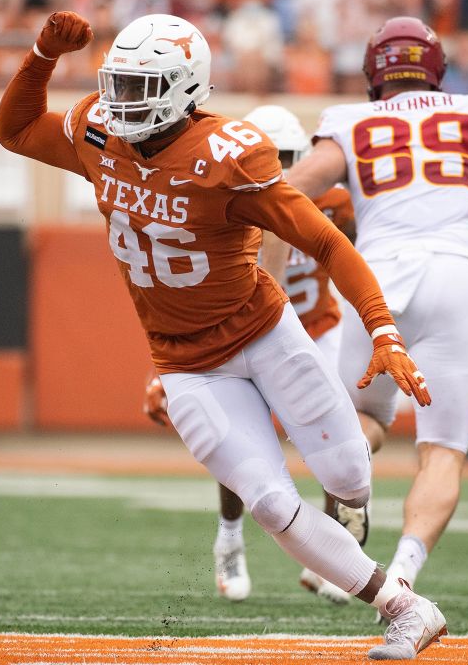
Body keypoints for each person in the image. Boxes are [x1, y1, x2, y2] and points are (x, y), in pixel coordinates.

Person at [0, 11, 446, 660]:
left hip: (264, 332)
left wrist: (383, 330)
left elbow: (322, 239)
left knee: (349, 471)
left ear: (185, 89)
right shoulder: (99, 132)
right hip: (184, 364)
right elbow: (14, 130)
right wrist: (41, 53)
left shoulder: (226, 155)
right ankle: (404, 608)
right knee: (268, 502)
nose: (119, 102)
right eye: (116, 84)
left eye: (138, 88)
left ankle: (350, 506)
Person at [270, 16, 468, 614]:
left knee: (363, 416)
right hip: (458, 274)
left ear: (374, 73)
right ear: (436, 69)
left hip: (377, 275)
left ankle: (345, 511)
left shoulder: (350, 121)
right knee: (442, 449)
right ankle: (403, 576)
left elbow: (290, 192)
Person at [143, 104, 375, 607]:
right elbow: (184, 301)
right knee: (246, 441)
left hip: (316, 329)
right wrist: (167, 373)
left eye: (290, 159)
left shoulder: (332, 202)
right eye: (273, 158)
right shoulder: (216, 203)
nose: (283, 172)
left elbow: (355, 250)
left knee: (338, 438)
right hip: (243, 333)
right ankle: (230, 535)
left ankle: (343, 544)